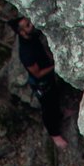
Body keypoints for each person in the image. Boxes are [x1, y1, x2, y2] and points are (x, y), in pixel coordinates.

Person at [11, 16, 69, 148]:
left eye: (29, 23)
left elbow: (42, 50)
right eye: (27, 25)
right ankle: (54, 134)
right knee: (47, 108)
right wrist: (55, 67)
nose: (31, 25)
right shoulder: (26, 53)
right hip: (40, 84)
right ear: (21, 32)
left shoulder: (33, 37)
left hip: (48, 76)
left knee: (54, 97)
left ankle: (60, 114)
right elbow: (37, 73)